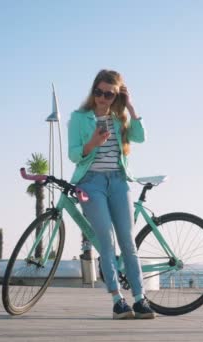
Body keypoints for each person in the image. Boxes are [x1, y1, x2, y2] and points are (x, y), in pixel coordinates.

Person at [68, 69, 154, 319]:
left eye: (109, 94)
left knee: (128, 241)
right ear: (93, 90)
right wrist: (93, 142)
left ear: (116, 96)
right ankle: (118, 300)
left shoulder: (119, 119)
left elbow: (141, 137)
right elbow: (74, 154)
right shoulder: (79, 118)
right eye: (99, 92)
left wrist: (131, 107)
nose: (103, 98)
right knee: (107, 241)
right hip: (90, 182)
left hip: (118, 182)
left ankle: (140, 299)